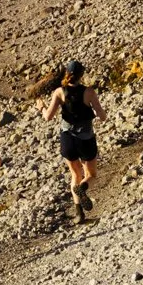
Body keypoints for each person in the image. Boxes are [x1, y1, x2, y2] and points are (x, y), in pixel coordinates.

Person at [36, 59, 102, 220]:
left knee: (75, 174)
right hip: (85, 137)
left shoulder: (59, 92)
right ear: (81, 75)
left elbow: (48, 117)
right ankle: (83, 188)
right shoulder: (89, 92)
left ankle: (79, 213)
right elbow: (103, 116)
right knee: (91, 174)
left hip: (67, 138)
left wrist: (41, 107)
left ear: (67, 73)